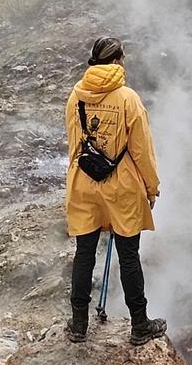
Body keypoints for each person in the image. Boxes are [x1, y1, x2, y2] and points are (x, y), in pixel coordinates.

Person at [64, 37, 166, 346]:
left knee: (84, 252)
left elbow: (74, 144)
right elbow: (142, 151)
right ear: (118, 60)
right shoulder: (127, 99)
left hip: (84, 183)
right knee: (128, 254)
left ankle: (79, 324)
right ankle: (139, 324)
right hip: (121, 187)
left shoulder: (76, 96)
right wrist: (151, 187)